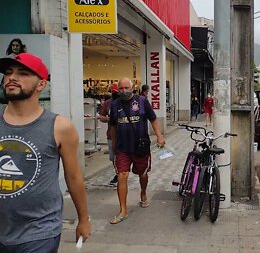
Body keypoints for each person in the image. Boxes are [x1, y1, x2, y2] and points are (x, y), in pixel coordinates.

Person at [0, 53, 91, 251]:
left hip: (39, 231)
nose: (12, 77)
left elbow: (74, 177)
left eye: (23, 73)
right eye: (8, 73)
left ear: (41, 85)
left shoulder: (60, 127)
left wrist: (83, 219)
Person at [109, 78, 165, 224]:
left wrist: (159, 136)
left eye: (126, 87)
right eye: (121, 88)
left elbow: (153, 119)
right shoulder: (114, 105)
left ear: (133, 88)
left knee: (143, 174)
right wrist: (113, 146)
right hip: (122, 148)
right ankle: (123, 210)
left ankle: (143, 193)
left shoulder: (141, 101)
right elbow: (113, 126)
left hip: (140, 147)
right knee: (122, 176)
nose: (123, 90)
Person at [98, 83, 119, 186]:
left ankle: (121, 174)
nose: (116, 94)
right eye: (114, 92)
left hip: (123, 134)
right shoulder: (108, 103)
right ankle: (118, 173)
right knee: (113, 157)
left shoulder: (124, 103)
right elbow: (102, 117)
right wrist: (106, 119)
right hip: (111, 134)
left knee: (121, 156)